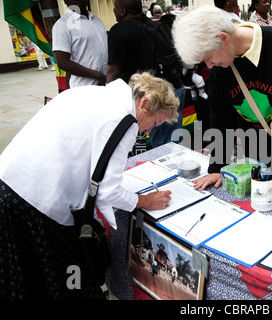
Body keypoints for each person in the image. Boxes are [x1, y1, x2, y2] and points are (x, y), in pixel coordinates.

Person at [0, 71, 178, 299]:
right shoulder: (124, 121)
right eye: (154, 122)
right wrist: (146, 200)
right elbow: (108, 192)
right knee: (67, 278)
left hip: (8, 183)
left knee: (25, 275)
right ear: (144, 103)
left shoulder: (92, 94)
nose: (149, 131)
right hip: (37, 202)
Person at [172, 5, 272, 195]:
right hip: (257, 148)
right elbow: (221, 119)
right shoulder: (220, 66)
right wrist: (217, 168)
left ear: (223, 39)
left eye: (208, 58)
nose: (209, 66)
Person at [107, 0, 185, 151]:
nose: (114, 10)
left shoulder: (118, 30)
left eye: (115, 7)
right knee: (174, 144)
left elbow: (114, 71)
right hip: (174, 89)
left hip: (151, 100)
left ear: (122, 10)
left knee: (159, 147)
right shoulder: (153, 24)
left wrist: (109, 100)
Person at [52, 0, 108, 88]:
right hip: (84, 87)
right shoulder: (62, 25)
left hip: (105, 84)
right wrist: (98, 75)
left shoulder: (96, 20)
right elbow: (62, 62)